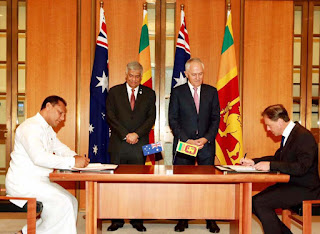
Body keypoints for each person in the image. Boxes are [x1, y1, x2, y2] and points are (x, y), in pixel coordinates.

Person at [5, 95, 90, 234]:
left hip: (40, 182)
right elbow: (39, 157)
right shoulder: (30, 127)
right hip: (23, 183)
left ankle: (26, 233)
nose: (62, 118)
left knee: (72, 201)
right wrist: (72, 162)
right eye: (60, 112)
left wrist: (75, 157)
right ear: (48, 106)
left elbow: (60, 148)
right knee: (63, 203)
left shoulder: (47, 129)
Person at [241, 104, 320, 234]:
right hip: (292, 184)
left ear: (279, 121)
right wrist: (254, 162)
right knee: (254, 201)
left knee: (260, 203)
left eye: (269, 125)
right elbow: (277, 158)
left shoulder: (303, 136)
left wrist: (271, 165)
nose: (267, 129)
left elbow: (302, 167)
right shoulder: (290, 135)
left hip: (306, 188)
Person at [168, 58, 220, 233]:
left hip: (206, 145)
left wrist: (205, 139)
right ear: (186, 74)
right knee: (184, 183)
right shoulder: (178, 92)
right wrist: (186, 139)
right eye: (194, 74)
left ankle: (210, 219)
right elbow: (173, 120)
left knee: (208, 184)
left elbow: (215, 119)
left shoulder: (212, 92)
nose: (198, 77)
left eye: (200, 74)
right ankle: (183, 218)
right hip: (185, 145)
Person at [106, 61, 156, 232]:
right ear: (125, 75)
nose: (134, 79)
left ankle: (137, 220)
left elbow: (151, 118)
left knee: (137, 185)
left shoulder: (149, 94)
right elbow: (110, 116)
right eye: (131, 76)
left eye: (137, 76)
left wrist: (137, 134)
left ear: (141, 77)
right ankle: (116, 220)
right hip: (119, 145)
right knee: (116, 185)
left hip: (139, 145)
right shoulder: (114, 92)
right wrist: (126, 134)